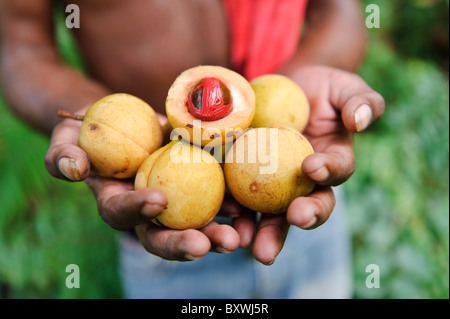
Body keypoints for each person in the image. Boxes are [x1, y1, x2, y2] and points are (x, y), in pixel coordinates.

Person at [0, 0, 385, 298]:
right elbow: (21, 48)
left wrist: (303, 81)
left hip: (303, 186)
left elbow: (341, 12)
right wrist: (93, 115)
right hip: (161, 216)